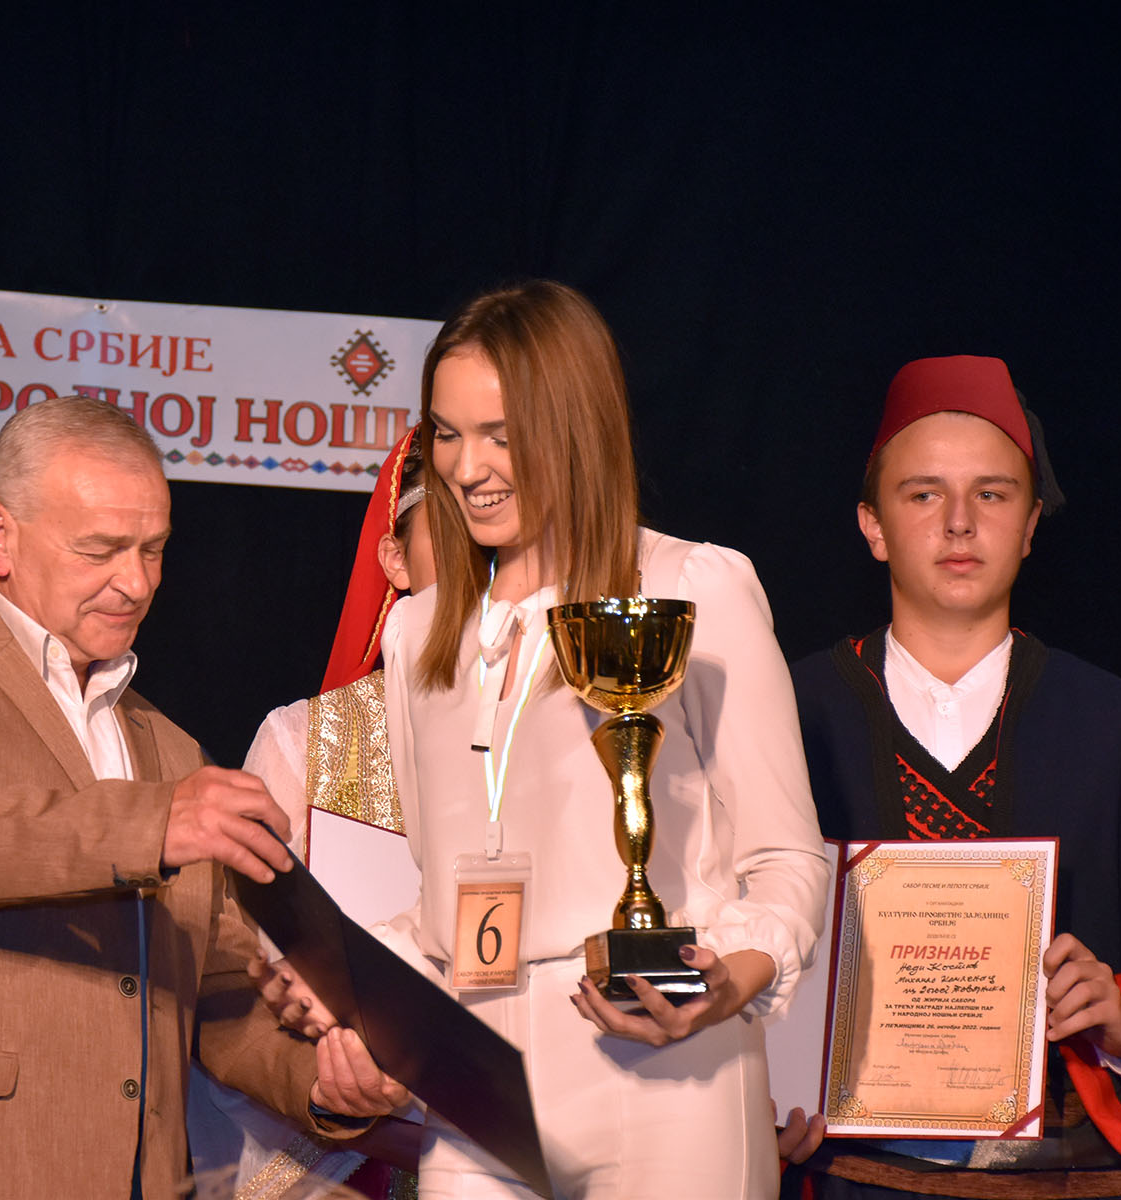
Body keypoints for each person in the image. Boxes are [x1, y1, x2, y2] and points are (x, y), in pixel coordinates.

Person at [0, 396, 406, 1200]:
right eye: (101, 550)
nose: (137, 582)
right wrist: (154, 822)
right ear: (0, 537)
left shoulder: (172, 749)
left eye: (153, 549)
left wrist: (323, 1084)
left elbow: (222, 985)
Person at [378, 280, 829, 1198]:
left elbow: (786, 857)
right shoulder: (417, 630)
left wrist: (725, 986)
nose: (468, 468)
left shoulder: (694, 587)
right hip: (478, 1071)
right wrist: (338, 979)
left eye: (502, 435)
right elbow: (439, 898)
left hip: (666, 1069)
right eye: (448, 434)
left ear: (575, 426)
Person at [782, 355, 1121, 1198]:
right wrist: (759, 1082)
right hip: (849, 1176)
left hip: (1071, 1180)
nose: (959, 523)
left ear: (1030, 525)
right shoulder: (786, 716)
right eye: (924, 494)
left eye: (991, 495)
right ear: (872, 525)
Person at [188, 430, 432, 1199]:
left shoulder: (570, 745)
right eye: (455, 534)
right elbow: (239, 985)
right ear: (396, 559)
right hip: (342, 1156)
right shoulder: (305, 744)